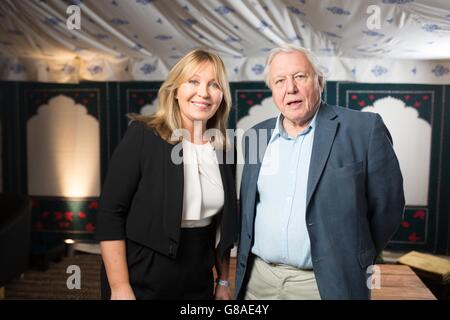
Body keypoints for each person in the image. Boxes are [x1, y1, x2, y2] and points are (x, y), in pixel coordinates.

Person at [235, 44, 405, 300]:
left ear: (319, 81)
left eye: (300, 77)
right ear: (272, 89)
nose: (290, 88)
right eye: (279, 80)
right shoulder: (255, 136)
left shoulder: (364, 129)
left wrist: (355, 254)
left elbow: (388, 208)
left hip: (324, 283)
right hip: (258, 281)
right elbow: (249, 210)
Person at [96, 48, 238, 300]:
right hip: (142, 271)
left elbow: (220, 228)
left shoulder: (224, 147)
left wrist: (224, 280)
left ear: (222, 96)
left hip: (198, 274)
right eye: (193, 81)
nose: (203, 93)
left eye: (214, 84)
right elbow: (110, 213)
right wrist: (119, 287)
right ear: (175, 91)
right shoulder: (143, 134)